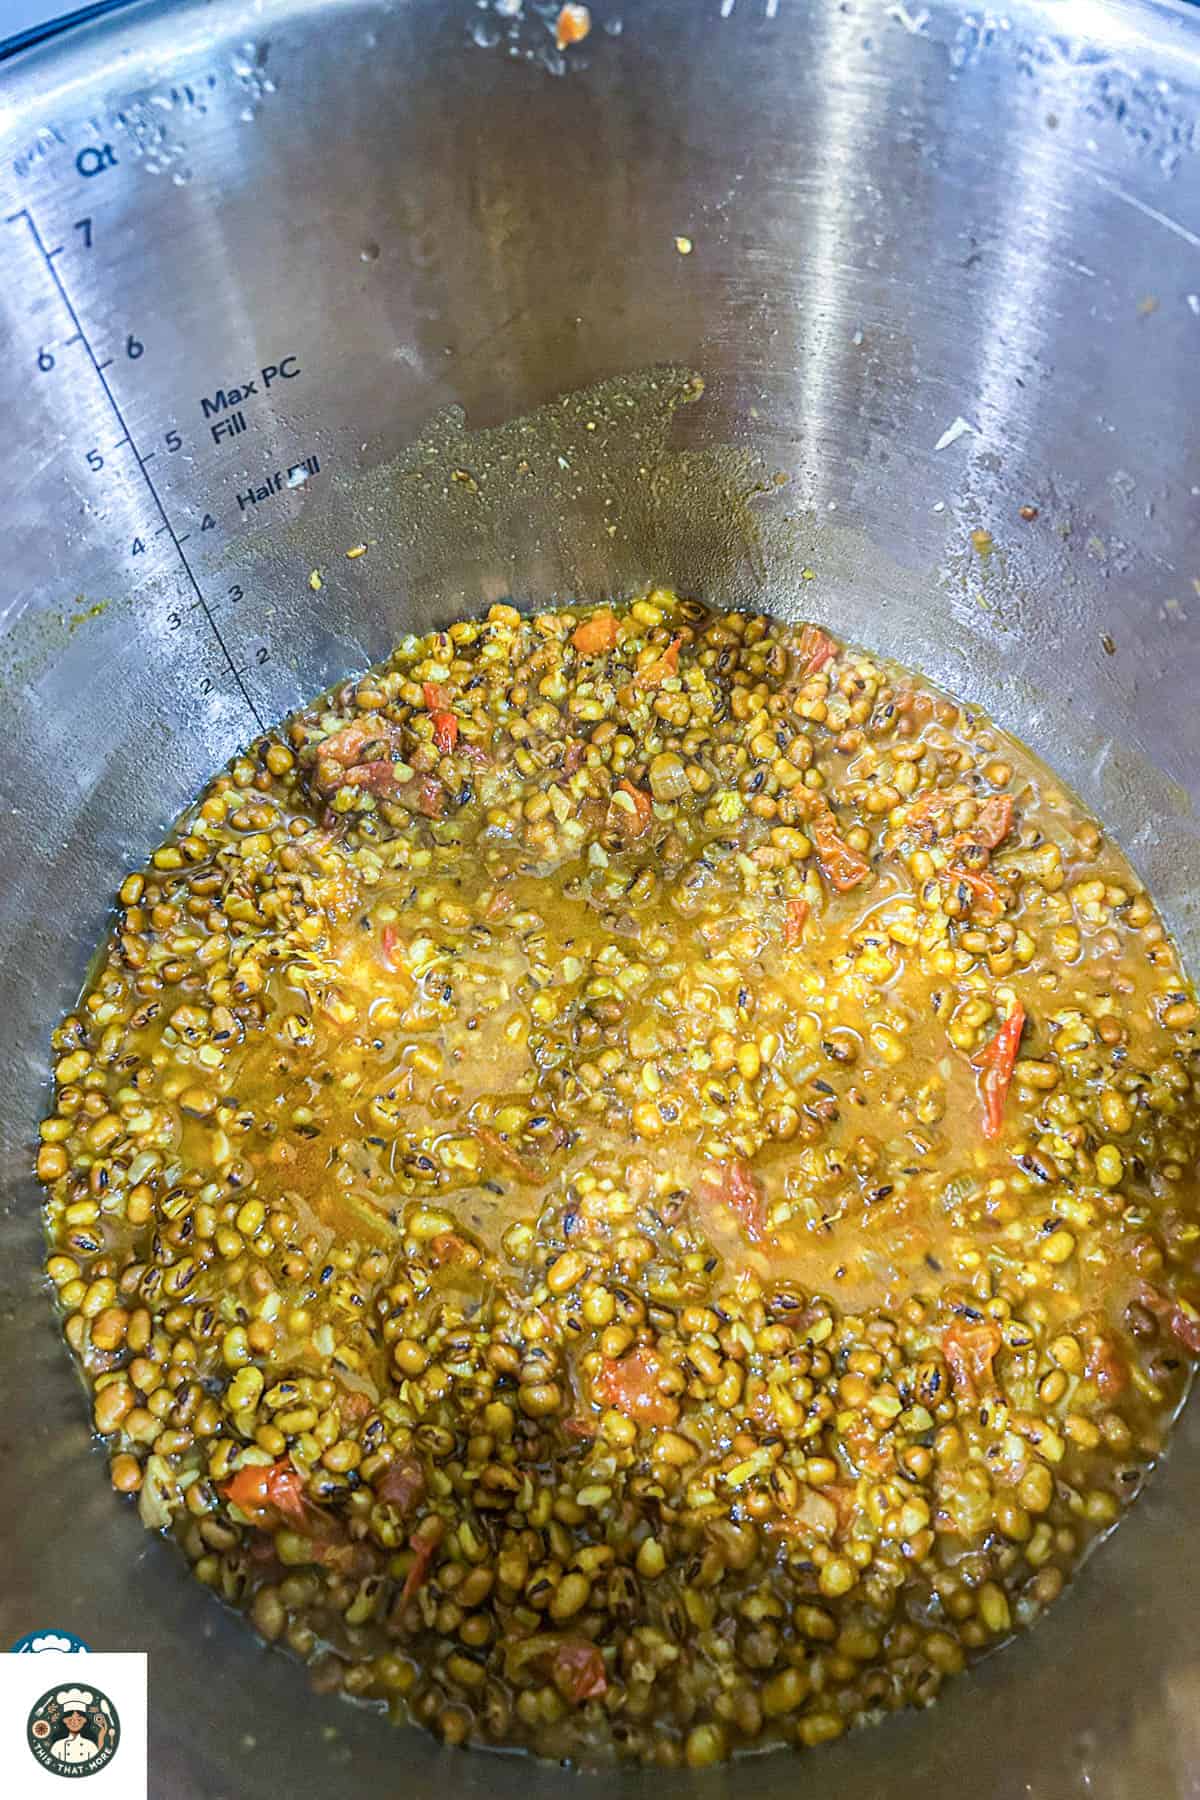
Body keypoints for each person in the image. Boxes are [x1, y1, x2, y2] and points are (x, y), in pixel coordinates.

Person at [49, 1688, 105, 1765]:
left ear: (85, 1721)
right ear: (64, 1721)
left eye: (79, 1720)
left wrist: (101, 1735)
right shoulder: (58, 1745)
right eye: (70, 1720)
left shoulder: (90, 1745)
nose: (75, 1723)